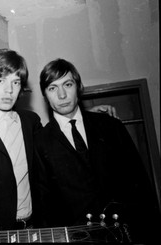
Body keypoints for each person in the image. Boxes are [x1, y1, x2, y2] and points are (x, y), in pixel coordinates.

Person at [0, 49, 119, 232]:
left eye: (15, 82)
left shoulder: (29, 122)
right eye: (0, 80)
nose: (9, 90)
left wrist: (86, 117)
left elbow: (59, 137)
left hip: (34, 228)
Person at [35, 58, 160, 243]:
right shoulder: (40, 141)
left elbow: (140, 184)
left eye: (67, 84)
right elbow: (44, 205)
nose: (62, 95)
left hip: (126, 236)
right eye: (52, 88)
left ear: (78, 86)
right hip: (79, 239)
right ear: (45, 95)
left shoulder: (110, 126)